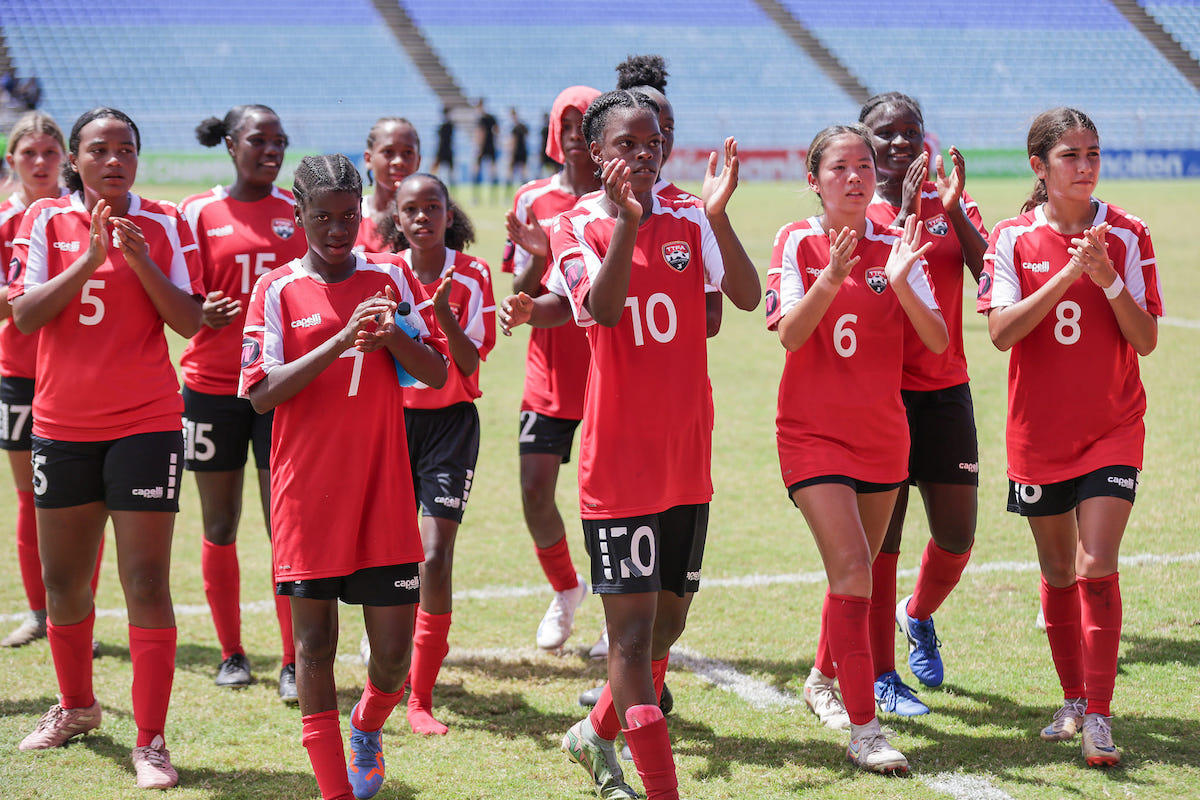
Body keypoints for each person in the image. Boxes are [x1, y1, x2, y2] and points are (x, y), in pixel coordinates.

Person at [504, 88, 760, 800]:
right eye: (626, 146)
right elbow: (605, 309)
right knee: (631, 640)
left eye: (652, 144)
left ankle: (593, 734)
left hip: (685, 451)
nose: (643, 156)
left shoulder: (685, 213)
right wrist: (627, 223)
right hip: (616, 463)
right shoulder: (577, 223)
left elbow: (744, 297)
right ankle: (659, 788)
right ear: (592, 152)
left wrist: (715, 214)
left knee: (667, 626)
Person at [240, 154, 449, 800]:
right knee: (315, 647)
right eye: (322, 218)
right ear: (297, 215)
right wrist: (337, 341)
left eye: (348, 217)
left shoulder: (390, 278)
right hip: (307, 493)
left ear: (364, 213)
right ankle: (335, 790)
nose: (336, 230)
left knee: (392, 656)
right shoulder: (277, 290)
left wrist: (392, 339)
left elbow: (438, 373)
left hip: (383, 491)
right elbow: (259, 393)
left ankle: (368, 724)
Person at [11, 107, 205, 790]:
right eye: (100, 149)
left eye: (126, 148)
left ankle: (150, 742)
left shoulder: (166, 223)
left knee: (146, 581)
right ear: (76, 157)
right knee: (66, 582)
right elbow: (25, 316)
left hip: (146, 422)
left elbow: (188, 322)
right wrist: (89, 260)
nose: (114, 160)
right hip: (61, 425)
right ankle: (76, 706)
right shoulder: (44, 222)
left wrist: (138, 259)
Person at [978, 107, 1160, 767]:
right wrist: (1066, 274)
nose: (1085, 167)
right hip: (1038, 436)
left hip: (1113, 426)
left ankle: (1100, 718)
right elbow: (1001, 334)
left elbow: (1145, 338)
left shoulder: (1129, 233)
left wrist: (1107, 274)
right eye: (1070, 156)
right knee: (1057, 572)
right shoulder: (1010, 239)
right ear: (1040, 166)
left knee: (1095, 563)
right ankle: (1075, 698)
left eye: (1093, 154)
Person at [766, 123, 947, 774]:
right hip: (811, 433)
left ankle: (820, 678)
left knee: (859, 575)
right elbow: (789, 335)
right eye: (839, 166)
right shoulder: (796, 240)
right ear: (814, 180)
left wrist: (900, 278)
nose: (855, 176)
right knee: (851, 570)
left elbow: (935, 338)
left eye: (864, 165)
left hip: (882, 436)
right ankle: (867, 731)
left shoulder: (898, 242)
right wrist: (830, 277)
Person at [804, 93, 988, 721]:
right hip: (884, 395)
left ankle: (919, 614)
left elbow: (989, 272)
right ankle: (882, 675)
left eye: (913, 131)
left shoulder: (948, 203)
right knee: (879, 550)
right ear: (865, 144)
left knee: (957, 537)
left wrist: (953, 207)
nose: (903, 143)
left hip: (946, 387)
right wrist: (904, 209)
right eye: (888, 135)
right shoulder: (859, 212)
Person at [179, 105, 307, 698]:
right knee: (220, 522)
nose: (271, 149)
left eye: (279, 141)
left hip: (278, 389)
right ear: (231, 145)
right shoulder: (198, 212)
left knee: (286, 524)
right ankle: (232, 653)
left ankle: (289, 659)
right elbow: (179, 299)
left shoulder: (296, 212)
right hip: (209, 386)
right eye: (259, 140)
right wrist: (201, 311)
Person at [378, 172, 494, 735]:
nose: (422, 217)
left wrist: (444, 313)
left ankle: (419, 699)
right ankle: (388, 670)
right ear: (395, 219)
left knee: (434, 555)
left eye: (433, 207)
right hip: (388, 423)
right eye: (411, 210)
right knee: (388, 556)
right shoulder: (379, 272)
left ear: (450, 214)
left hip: (450, 426)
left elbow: (469, 363)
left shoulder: (473, 274)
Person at [500, 85, 600, 653]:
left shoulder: (621, 200)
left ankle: (618, 612)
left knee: (609, 501)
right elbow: (519, 291)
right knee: (536, 493)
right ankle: (567, 590)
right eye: (567, 129)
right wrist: (539, 253)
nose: (576, 142)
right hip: (550, 376)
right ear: (555, 137)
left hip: (612, 375)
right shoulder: (532, 197)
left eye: (586, 130)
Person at [0, 112, 105, 649]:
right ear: (12, 159)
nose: (40, 164)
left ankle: (77, 610)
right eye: (28, 154)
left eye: (49, 153)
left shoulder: (82, 214)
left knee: (92, 503)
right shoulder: (9, 219)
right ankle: (41, 613)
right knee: (30, 500)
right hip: (22, 375)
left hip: (83, 379)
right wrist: (29, 292)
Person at [358, 118, 420, 253]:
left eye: (408, 153)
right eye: (388, 152)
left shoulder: (429, 218)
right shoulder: (351, 216)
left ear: (418, 161)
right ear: (368, 159)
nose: (399, 161)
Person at [472, 99, 499, 202]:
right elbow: (497, 131)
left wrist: (479, 147)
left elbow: (481, 133)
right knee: (492, 171)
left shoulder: (481, 119)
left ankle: (476, 197)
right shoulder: (492, 118)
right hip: (491, 146)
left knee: (477, 171)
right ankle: (494, 196)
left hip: (483, 147)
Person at [506, 107, 529, 193]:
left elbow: (513, 142)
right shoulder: (523, 126)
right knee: (523, 171)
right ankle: (525, 189)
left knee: (511, 172)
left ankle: (508, 192)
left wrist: (511, 154)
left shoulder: (515, 129)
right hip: (523, 151)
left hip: (516, 152)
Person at [432, 106, 455, 186]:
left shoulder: (448, 125)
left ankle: (452, 182)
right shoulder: (445, 125)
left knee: (451, 168)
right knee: (436, 166)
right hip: (442, 149)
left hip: (446, 149)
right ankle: (432, 180)